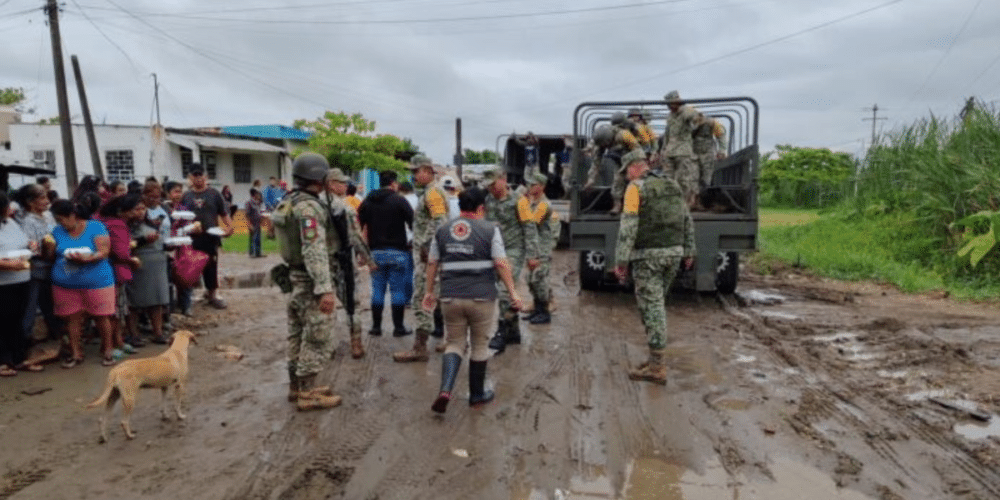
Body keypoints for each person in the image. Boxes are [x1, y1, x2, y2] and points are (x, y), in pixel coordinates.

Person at [422, 187, 523, 413]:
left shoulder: (442, 230)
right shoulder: (490, 229)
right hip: (481, 298)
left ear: (460, 206)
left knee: (454, 343)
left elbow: (432, 263)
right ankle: (476, 395)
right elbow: (501, 262)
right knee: (479, 345)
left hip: (450, 297)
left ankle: (445, 390)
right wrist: (513, 292)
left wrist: (428, 292)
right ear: (481, 208)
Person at [612, 150, 695, 384]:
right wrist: (689, 249)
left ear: (635, 167)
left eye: (627, 171)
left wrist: (621, 261)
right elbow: (686, 218)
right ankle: (653, 360)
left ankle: (657, 367)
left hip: (648, 257)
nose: (626, 176)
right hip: (673, 254)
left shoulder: (635, 188)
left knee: (653, 310)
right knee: (656, 306)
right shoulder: (672, 184)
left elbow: (628, 227)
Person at [271, 152, 342, 411]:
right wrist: (324, 289)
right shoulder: (309, 208)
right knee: (317, 335)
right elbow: (314, 249)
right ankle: (308, 393)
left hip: (293, 277)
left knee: (297, 333)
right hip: (309, 281)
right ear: (319, 178)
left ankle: (296, 386)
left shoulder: (289, 201)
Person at [48, 199, 116, 368]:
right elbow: (52, 255)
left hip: (97, 281)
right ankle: (76, 353)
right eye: (57, 220)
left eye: (62, 219)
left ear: (73, 215)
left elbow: (104, 251)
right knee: (72, 319)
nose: (61, 223)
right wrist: (46, 247)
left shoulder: (96, 227)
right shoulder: (57, 231)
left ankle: (108, 350)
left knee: (102, 317)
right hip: (65, 283)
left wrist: (90, 257)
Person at [395, 155, 449, 363]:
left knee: (421, 299)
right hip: (429, 255)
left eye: (416, 172)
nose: (413, 176)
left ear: (427, 171)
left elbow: (440, 222)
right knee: (439, 297)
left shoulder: (433, 193)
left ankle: (420, 347)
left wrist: (428, 247)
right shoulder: (430, 192)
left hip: (429, 258)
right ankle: (451, 340)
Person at [481, 166, 539, 353]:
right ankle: (514, 332)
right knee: (502, 288)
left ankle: (502, 330)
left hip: (514, 250)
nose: (490, 188)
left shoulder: (519, 201)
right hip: (495, 251)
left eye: (493, 184)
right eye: (488, 185)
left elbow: (529, 228)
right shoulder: (488, 199)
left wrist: (532, 255)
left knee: (506, 290)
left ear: (503, 180)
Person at [357, 170, 414, 337]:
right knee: (397, 291)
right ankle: (399, 328)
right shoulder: (400, 200)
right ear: (393, 183)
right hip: (398, 251)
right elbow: (413, 223)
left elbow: (358, 224)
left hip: (375, 252)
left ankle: (376, 327)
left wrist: (361, 250)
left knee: (377, 289)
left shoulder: (368, 201)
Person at [325, 167, 374, 359]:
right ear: (331, 184)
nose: (346, 185)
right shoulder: (344, 207)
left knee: (324, 306)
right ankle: (356, 344)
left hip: (321, 263)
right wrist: (368, 260)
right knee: (352, 305)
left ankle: (328, 347)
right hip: (342, 261)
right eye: (342, 182)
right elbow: (355, 236)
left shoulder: (314, 205)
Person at [181, 163, 234, 309]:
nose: (198, 178)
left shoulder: (214, 194)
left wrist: (229, 227)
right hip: (192, 238)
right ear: (190, 177)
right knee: (191, 266)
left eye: (200, 175)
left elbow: (224, 213)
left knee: (211, 265)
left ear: (206, 176)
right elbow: (180, 217)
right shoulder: (186, 196)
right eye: (195, 175)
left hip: (211, 237)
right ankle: (187, 297)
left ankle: (212, 294)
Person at [14, 184, 61, 344]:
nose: (47, 201)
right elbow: (31, 247)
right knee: (31, 304)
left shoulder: (48, 216)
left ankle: (57, 333)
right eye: (42, 197)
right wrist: (46, 248)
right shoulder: (27, 221)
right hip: (37, 267)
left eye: (46, 196)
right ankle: (25, 338)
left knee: (51, 302)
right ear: (30, 202)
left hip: (53, 265)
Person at [126, 181, 171, 345]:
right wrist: (143, 240)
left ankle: (158, 332)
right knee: (135, 302)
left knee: (157, 300)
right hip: (138, 264)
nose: (140, 212)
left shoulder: (152, 222)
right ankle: (134, 334)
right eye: (137, 209)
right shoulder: (127, 226)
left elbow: (162, 240)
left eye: (142, 209)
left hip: (157, 262)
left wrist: (170, 245)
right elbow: (126, 245)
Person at [98, 194, 144, 352]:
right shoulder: (118, 225)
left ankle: (114, 342)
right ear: (121, 211)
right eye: (131, 210)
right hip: (116, 271)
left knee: (111, 311)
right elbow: (121, 252)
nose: (134, 213)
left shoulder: (102, 221)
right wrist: (133, 260)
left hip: (103, 270)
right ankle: (116, 343)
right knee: (116, 310)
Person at [0, 192, 37, 376]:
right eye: (6, 206)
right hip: (3, 283)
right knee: (3, 321)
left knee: (18, 320)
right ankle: (3, 361)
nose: (10, 208)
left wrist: (30, 245)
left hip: (21, 278)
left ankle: (18, 358)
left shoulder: (10, 222)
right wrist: (6, 264)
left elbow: (22, 242)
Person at [658, 90, 703, 209]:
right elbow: (668, 134)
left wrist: (695, 119)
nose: (669, 107)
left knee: (683, 179)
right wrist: (663, 150)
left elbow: (695, 119)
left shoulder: (686, 111)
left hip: (683, 152)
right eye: (668, 104)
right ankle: (671, 204)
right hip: (670, 151)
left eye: (671, 104)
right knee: (668, 179)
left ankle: (683, 205)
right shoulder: (670, 116)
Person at [522, 173, 554, 324]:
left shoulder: (543, 205)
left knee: (540, 280)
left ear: (541, 186)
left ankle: (544, 312)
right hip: (534, 247)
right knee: (532, 280)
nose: (530, 187)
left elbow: (531, 223)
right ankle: (537, 309)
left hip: (542, 248)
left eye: (533, 184)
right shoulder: (534, 203)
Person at [692, 116, 728, 199]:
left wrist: (722, 151)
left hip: (707, 154)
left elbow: (721, 135)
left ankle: (704, 199)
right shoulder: (685, 124)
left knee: (706, 178)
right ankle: (693, 199)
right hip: (692, 155)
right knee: (692, 178)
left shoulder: (711, 122)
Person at [246, 188, 264, 258]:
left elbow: (259, 211)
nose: (258, 195)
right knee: (253, 238)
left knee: (258, 238)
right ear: (254, 194)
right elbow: (247, 214)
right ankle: (253, 253)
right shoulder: (249, 203)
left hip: (258, 223)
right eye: (257, 194)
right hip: (252, 223)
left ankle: (258, 253)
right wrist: (249, 224)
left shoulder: (257, 203)